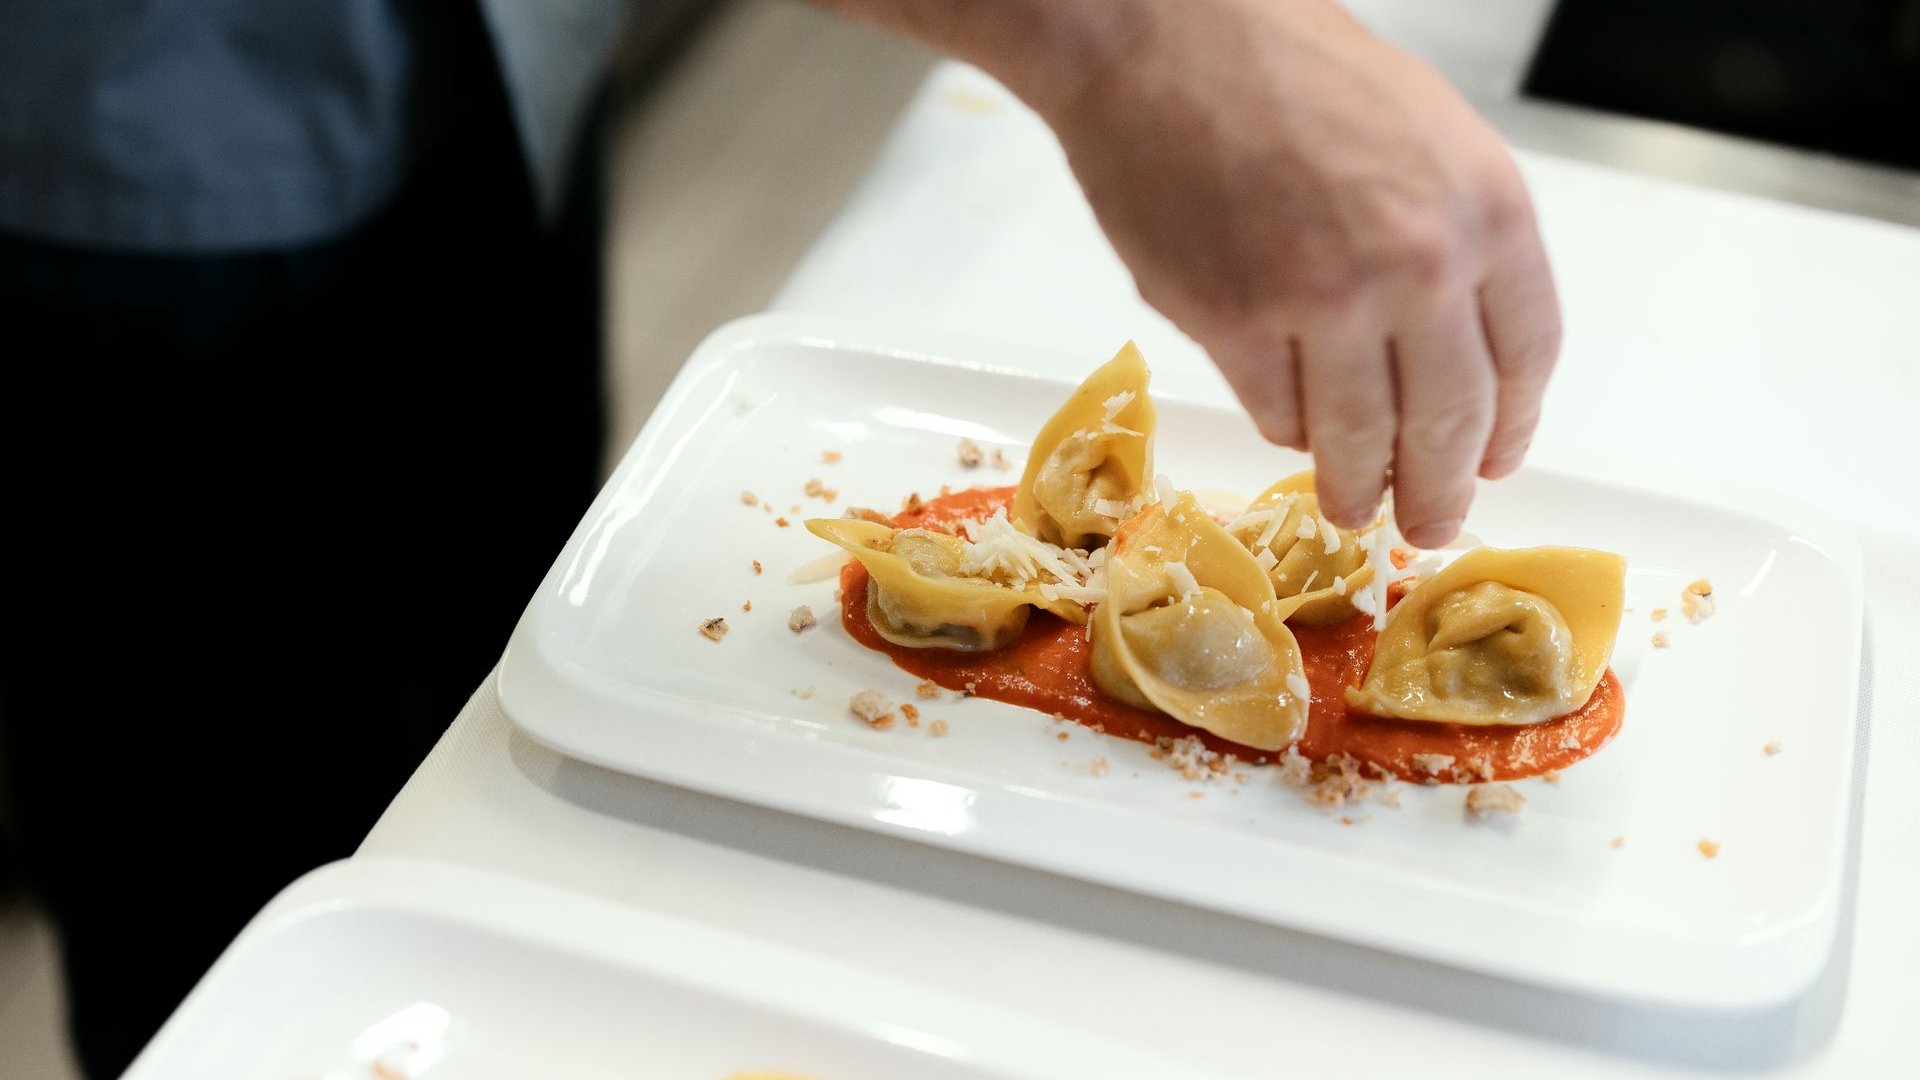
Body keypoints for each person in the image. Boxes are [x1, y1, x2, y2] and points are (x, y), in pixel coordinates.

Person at [0, 0, 1559, 1075]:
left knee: (509, 772)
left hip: (483, 73)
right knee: (232, 897)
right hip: (109, 157)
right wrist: (1132, 36)